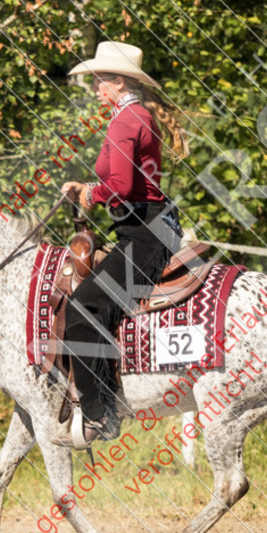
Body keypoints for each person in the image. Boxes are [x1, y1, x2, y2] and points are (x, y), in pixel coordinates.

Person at [56, 41, 188, 448]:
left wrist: (90, 196)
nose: (95, 89)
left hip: (146, 236)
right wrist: (87, 186)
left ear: (119, 82)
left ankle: (99, 416)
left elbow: (124, 187)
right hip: (148, 228)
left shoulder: (126, 120)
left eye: (99, 81)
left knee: (81, 309)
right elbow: (127, 183)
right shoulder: (133, 115)